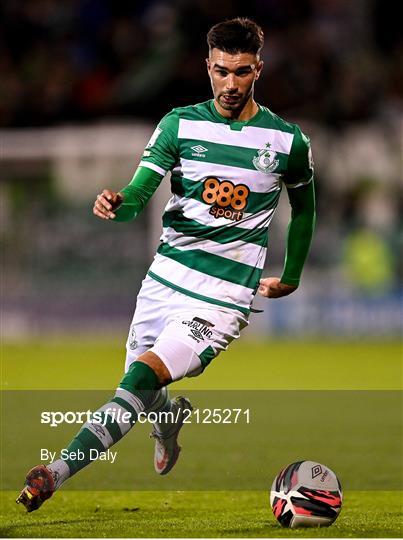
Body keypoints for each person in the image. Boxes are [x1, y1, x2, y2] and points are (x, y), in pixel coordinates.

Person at [17, 17, 315, 512]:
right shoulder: (179, 124)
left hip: (223, 296)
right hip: (165, 278)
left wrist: (292, 274)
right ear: (207, 66)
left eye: (241, 72)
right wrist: (119, 202)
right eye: (221, 71)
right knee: (140, 388)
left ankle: (54, 473)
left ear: (258, 69)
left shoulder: (286, 142)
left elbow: (305, 208)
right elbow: (139, 193)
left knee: (138, 380)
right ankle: (168, 421)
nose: (230, 84)